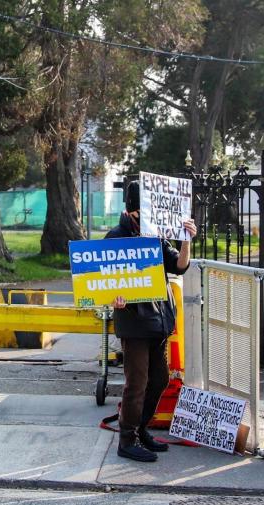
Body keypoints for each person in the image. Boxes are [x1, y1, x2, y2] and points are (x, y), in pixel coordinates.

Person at [107, 181, 197, 462]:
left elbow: (179, 265)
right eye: (141, 212)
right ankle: (126, 439)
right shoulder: (115, 237)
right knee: (137, 383)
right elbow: (103, 282)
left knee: (159, 380)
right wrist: (114, 297)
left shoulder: (156, 236)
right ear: (131, 211)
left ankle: (141, 429)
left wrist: (186, 240)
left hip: (158, 320)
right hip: (134, 323)